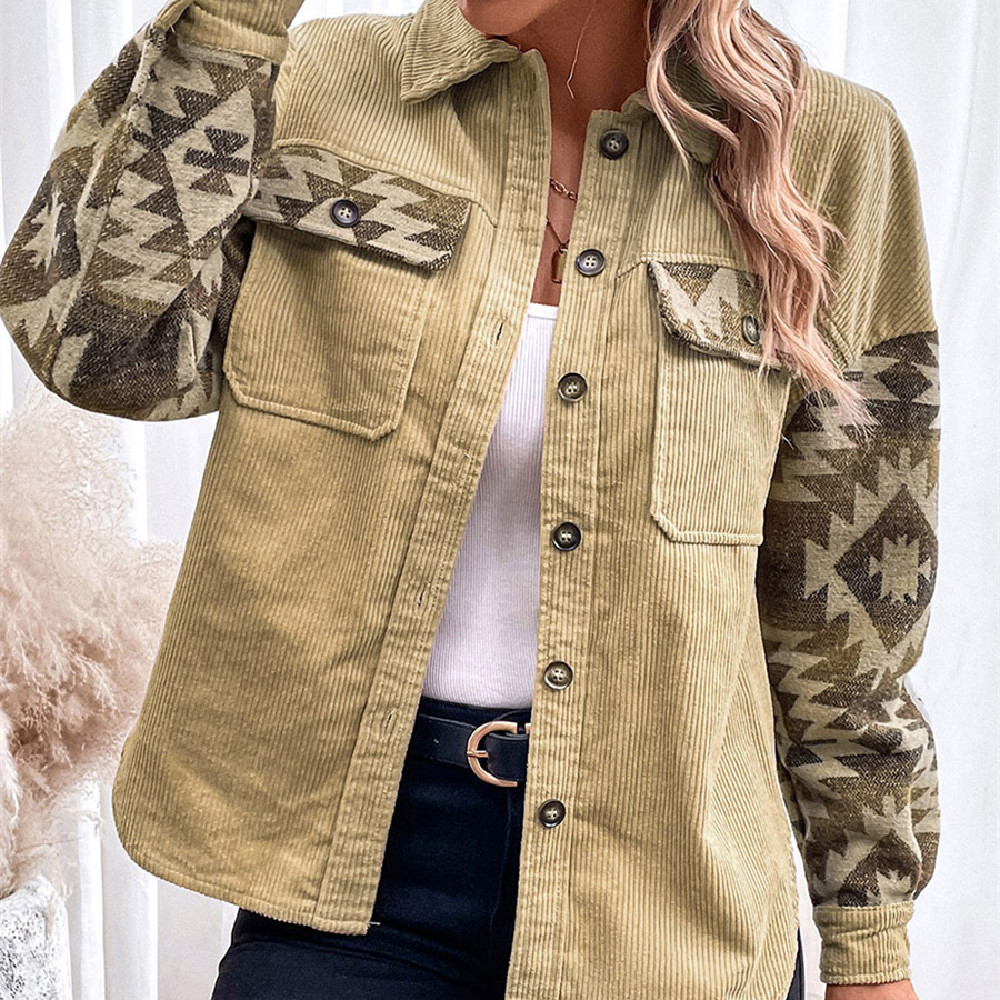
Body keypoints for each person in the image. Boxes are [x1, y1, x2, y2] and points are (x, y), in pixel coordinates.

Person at [0, 0, 941, 997]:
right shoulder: (310, 83)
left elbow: (849, 612)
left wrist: (868, 948)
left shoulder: (835, 151)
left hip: (670, 898)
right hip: (349, 881)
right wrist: (230, 25)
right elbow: (101, 350)